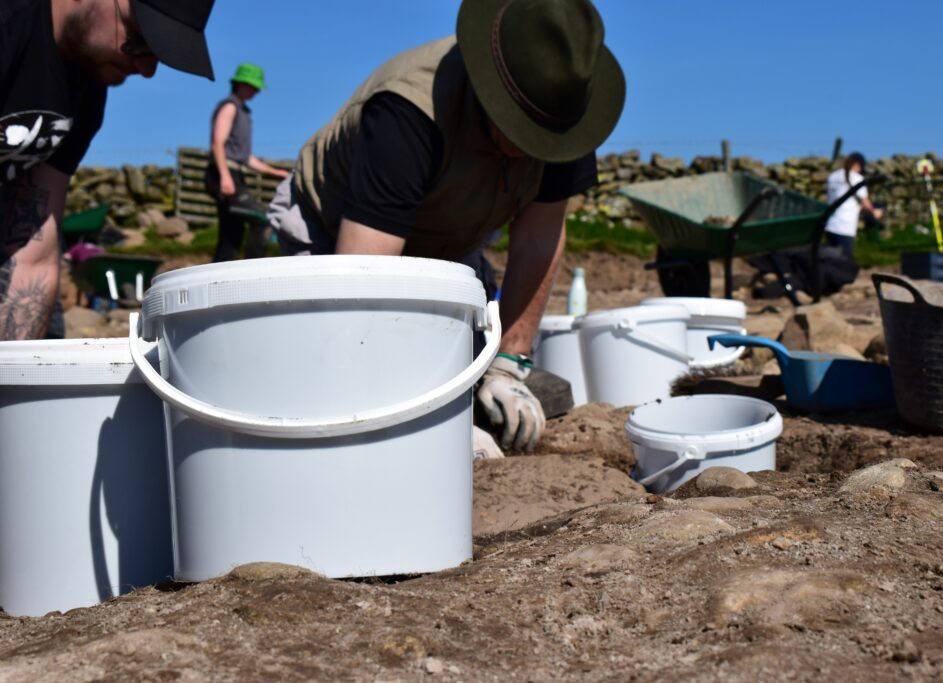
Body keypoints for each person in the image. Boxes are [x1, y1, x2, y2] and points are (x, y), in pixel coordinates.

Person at [269, 0, 625, 457]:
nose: (528, 146)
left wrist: (507, 364)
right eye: (518, 128)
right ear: (490, 87)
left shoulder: (565, 115)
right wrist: (435, 419)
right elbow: (362, 287)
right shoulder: (410, 111)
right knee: (339, 387)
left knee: (473, 375)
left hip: (450, 244)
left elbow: (538, 239)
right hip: (335, 237)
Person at [0, 0, 217, 341]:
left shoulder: (84, 88)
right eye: (137, 39)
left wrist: (14, 383)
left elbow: (32, 256)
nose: (146, 69)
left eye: (157, 54)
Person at [205, 63, 289, 262]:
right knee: (261, 219)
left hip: (234, 173)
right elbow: (218, 143)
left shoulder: (244, 112)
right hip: (224, 173)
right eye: (253, 86)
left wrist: (272, 171)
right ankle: (254, 268)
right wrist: (225, 176)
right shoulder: (230, 107)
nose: (256, 91)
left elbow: (243, 156)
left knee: (232, 232)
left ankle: (221, 276)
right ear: (241, 84)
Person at [824, 152, 884, 261]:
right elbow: (864, 201)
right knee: (844, 262)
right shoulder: (856, 178)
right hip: (845, 227)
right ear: (858, 165)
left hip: (830, 225)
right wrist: (874, 212)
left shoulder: (833, 176)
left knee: (831, 261)